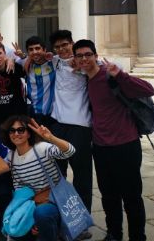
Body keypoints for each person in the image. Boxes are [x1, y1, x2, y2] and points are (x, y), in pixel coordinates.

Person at [73, 39, 154, 241]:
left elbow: (148, 89)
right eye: (79, 55)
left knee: (132, 197)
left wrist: (121, 75)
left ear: (95, 55)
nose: (84, 59)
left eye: (87, 54)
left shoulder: (109, 75)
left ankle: (137, 237)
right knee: (109, 197)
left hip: (126, 145)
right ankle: (114, 234)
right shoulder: (85, 80)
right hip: (101, 148)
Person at [4, 115, 76, 241]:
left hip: (55, 200)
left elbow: (70, 151)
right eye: (12, 130)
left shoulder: (41, 148)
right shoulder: (11, 156)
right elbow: (19, 187)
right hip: (32, 202)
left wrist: (51, 138)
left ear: (29, 134)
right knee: (17, 226)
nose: (16, 133)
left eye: (21, 130)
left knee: (42, 214)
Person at [49, 30, 93, 215]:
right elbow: (30, 57)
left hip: (80, 126)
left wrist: (83, 63)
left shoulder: (85, 64)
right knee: (57, 174)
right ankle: (62, 216)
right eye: (58, 47)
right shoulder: (54, 61)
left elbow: (113, 66)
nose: (62, 49)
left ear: (72, 43)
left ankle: (82, 218)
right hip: (58, 125)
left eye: (65, 45)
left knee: (82, 176)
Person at [23, 36, 57, 127]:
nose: (34, 52)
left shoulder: (54, 61)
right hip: (34, 114)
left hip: (54, 114)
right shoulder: (25, 64)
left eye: (37, 48)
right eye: (31, 49)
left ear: (44, 49)